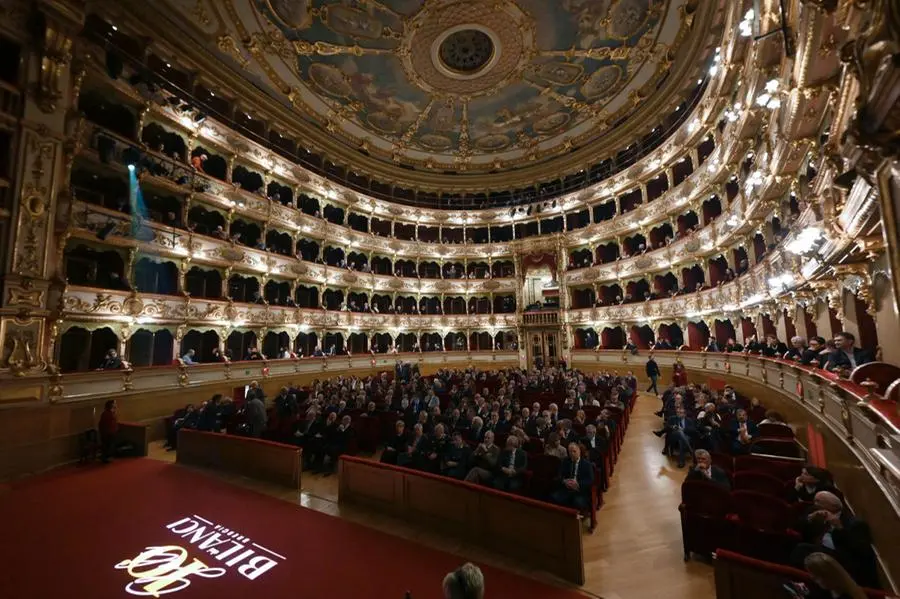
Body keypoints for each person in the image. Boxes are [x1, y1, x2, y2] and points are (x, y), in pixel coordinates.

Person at [799, 552, 868, 599]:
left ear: (828, 576)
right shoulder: (828, 590)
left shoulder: (846, 596)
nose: (812, 577)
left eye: (816, 575)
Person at [551, 443, 594, 511]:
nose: (572, 454)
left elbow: (590, 480)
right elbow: (559, 475)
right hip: (566, 489)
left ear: (579, 451)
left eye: (574, 451)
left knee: (578, 503)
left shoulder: (587, 464)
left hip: (579, 491)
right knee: (554, 497)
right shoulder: (565, 461)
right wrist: (565, 481)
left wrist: (578, 484)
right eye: (570, 452)